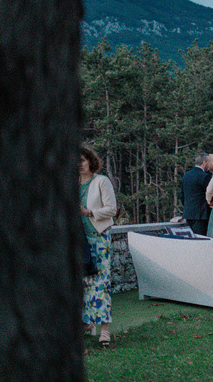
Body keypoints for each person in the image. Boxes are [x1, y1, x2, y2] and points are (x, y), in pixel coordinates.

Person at [79, 145, 118, 347]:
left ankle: (104, 330)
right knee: (83, 282)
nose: (78, 165)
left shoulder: (101, 181)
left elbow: (112, 209)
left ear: (90, 161)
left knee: (101, 283)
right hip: (79, 240)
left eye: (82, 160)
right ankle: (86, 323)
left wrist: (89, 212)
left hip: (99, 237)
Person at [180, 151, 213, 236]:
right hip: (201, 215)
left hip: (188, 214)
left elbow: (182, 196)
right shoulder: (204, 176)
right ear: (204, 163)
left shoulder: (186, 175)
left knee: (191, 240)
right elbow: (211, 193)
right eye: (208, 162)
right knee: (201, 239)